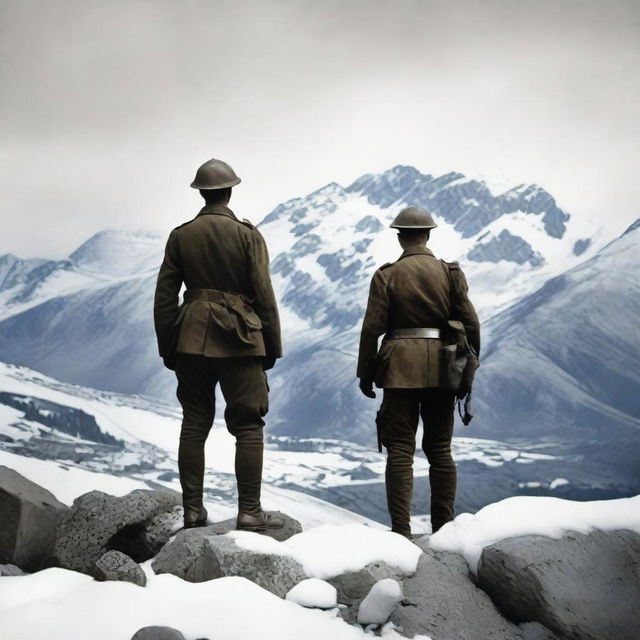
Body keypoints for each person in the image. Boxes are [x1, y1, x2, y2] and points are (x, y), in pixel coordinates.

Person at [153, 157, 284, 531]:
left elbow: (164, 297)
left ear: (202, 192)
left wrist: (169, 346)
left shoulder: (181, 235)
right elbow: (263, 294)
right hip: (241, 339)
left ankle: (193, 511)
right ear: (229, 191)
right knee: (248, 425)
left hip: (190, 338)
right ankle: (249, 512)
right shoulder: (248, 235)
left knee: (194, 422)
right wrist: (270, 348)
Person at [356, 206, 480, 538]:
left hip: (399, 368)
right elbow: (470, 323)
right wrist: (469, 369)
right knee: (440, 450)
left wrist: (365, 373)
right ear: (428, 234)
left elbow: (372, 330)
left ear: (400, 236)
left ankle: (401, 532)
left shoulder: (386, 275)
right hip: (443, 367)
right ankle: (443, 529)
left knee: (399, 449)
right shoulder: (450, 274)